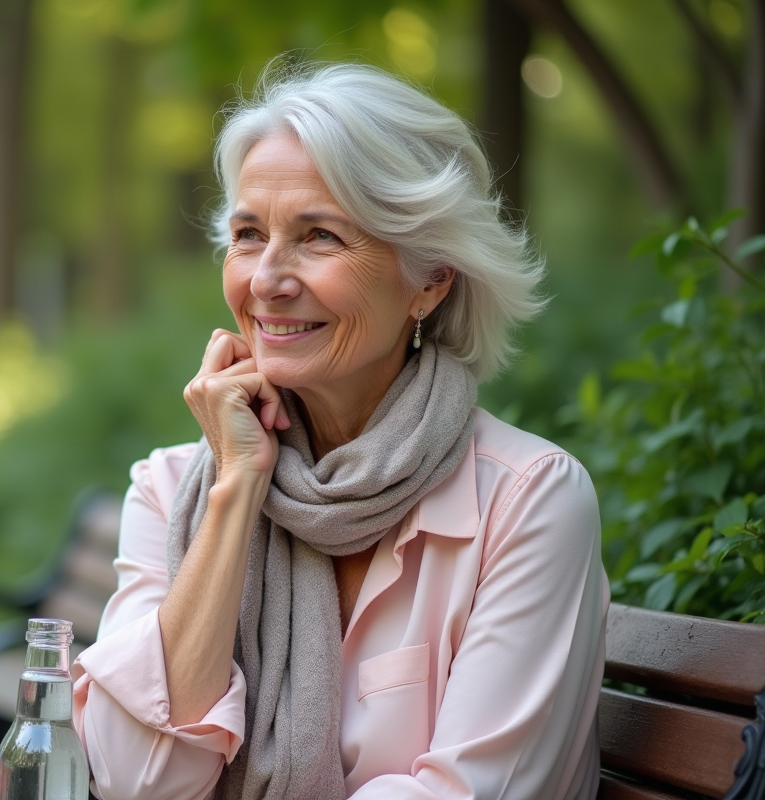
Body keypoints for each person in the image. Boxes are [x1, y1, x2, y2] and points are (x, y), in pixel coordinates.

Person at [71, 62, 609, 800]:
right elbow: (138, 779)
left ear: (430, 278)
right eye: (249, 234)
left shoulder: (527, 503)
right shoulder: (173, 490)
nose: (266, 278)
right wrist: (236, 490)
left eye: (319, 236)